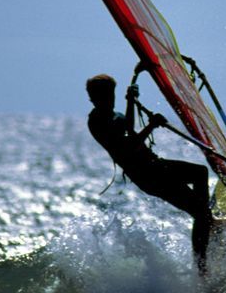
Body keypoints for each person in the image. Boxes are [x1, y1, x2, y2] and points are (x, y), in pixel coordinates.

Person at [86, 73, 214, 273]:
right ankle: (202, 265)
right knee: (199, 193)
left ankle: (207, 229)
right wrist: (151, 126)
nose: (109, 100)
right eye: (103, 97)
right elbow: (126, 148)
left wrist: (130, 101)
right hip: (148, 176)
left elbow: (127, 127)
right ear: (93, 98)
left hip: (155, 166)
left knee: (199, 195)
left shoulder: (115, 115)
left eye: (111, 95)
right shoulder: (97, 122)